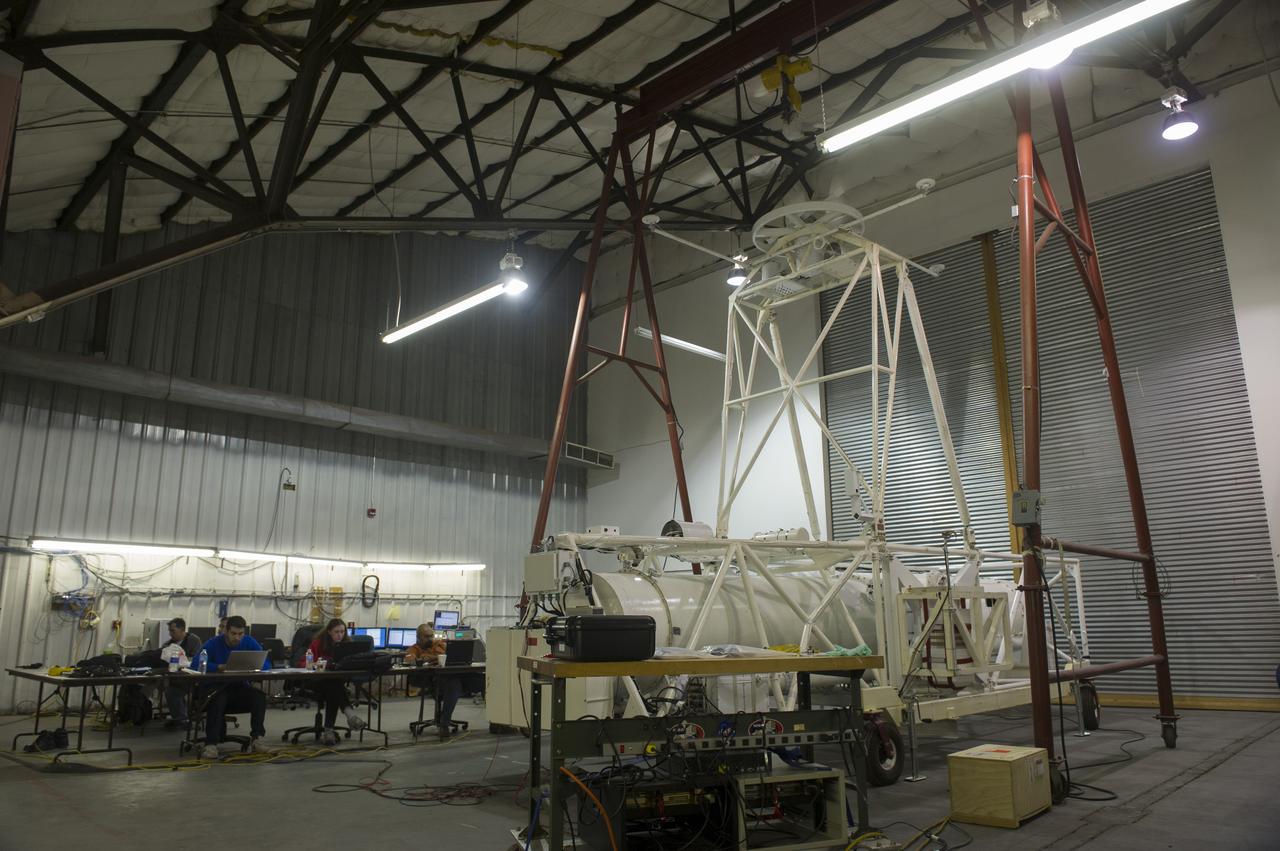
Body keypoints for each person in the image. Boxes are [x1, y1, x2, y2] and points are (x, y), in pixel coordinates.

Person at [191, 615, 271, 759]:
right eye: (233, 634)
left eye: (240, 634)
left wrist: (253, 666)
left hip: (238, 688)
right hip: (216, 687)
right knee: (219, 698)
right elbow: (196, 664)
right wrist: (218, 667)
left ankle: (257, 738)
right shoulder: (213, 643)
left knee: (258, 696)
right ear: (226, 631)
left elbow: (266, 663)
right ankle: (211, 744)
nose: (237, 638)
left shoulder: (249, 642)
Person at [304, 618, 368, 746]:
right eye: (336, 632)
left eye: (342, 632)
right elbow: (303, 663)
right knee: (334, 686)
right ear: (329, 632)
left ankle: (329, 732)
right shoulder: (317, 644)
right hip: (314, 682)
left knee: (333, 687)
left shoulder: (347, 645)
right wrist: (316, 664)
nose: (340, 635)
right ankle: (348, 716)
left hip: (333, 683)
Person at [404, 623, 462, 736]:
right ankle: (444, 723)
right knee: (454, 685)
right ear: (418, 637)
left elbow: (451, 655)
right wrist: (422, 659)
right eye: (427, 636)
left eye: (432, 636)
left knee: (478, 680)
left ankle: (497, 721)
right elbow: (409, 659)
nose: (430, 639)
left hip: (451, 674)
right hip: (431, 679)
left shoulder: (440, 645)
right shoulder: (414, 649)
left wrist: (433, 658)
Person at [159, 618, 204, 729]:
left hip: (192, 678)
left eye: (173, 631)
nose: (170, 634)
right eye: (169, 631)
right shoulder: (168, 645)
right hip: (176, 678)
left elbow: (196, 660)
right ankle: (180, 718)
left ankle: (181, 719)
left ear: (182, 630)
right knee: (165, 687)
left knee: (172, 692)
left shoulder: (193, 640)